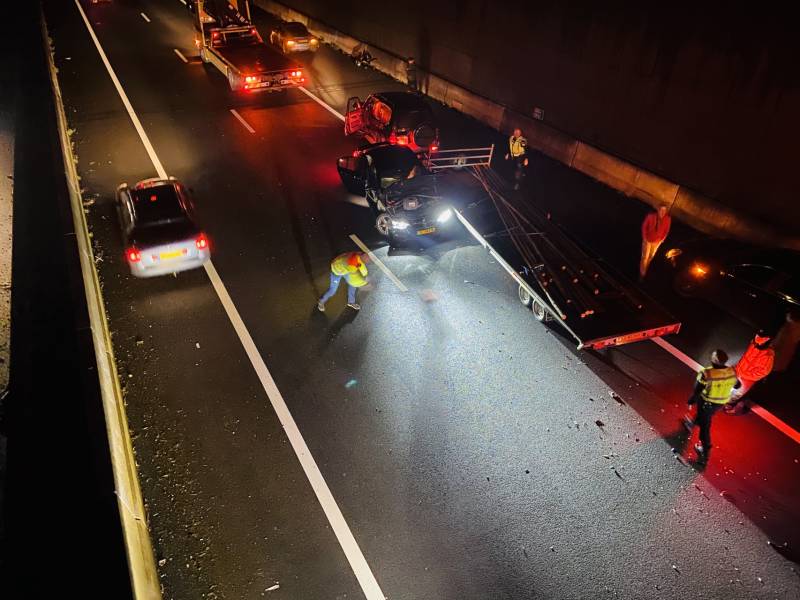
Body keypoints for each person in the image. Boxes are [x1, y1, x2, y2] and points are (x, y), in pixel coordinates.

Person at [683, 349, 741, 463]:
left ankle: (705, 450)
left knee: (705, 427)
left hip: (706, 402)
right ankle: (692, 424)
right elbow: (737, 385)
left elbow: (698, 390)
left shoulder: (707, 373)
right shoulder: (731, 371)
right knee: (704, 416)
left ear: (714, 360)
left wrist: (691, 400)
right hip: (720, 403)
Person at [725, 331, 774, 414]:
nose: (757, 344)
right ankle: (730, 403)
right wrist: (738, 368)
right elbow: (746, 357)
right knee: (732, 390)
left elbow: (764, 372)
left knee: (739, 394)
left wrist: (745, 375)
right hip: (740, 372)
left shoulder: (768, 355)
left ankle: (735, 408)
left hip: (747, 379)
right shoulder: (754, 344)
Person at [639, 205, 671, 280]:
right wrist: (644, 237)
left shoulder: (668, 219)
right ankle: (642, 274)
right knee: (645, 257)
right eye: (661, 210)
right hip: (648, 240)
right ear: (658, 210)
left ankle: (645, 268)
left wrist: (662, 239)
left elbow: (666, 230)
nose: (662, 212)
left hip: (657, 242)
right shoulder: (651, 216)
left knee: (651, 256)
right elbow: (644, 226)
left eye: (664, 210)